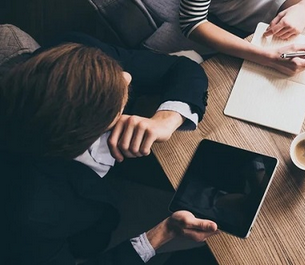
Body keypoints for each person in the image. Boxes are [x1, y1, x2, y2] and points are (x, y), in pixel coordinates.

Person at [0, 33, 217, 264]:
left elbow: (182, 68)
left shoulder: (71, 56)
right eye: (110, 101)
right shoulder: (29, 218)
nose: (126, 77)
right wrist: (161, 234)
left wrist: (167, 119)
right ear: (88, 131)